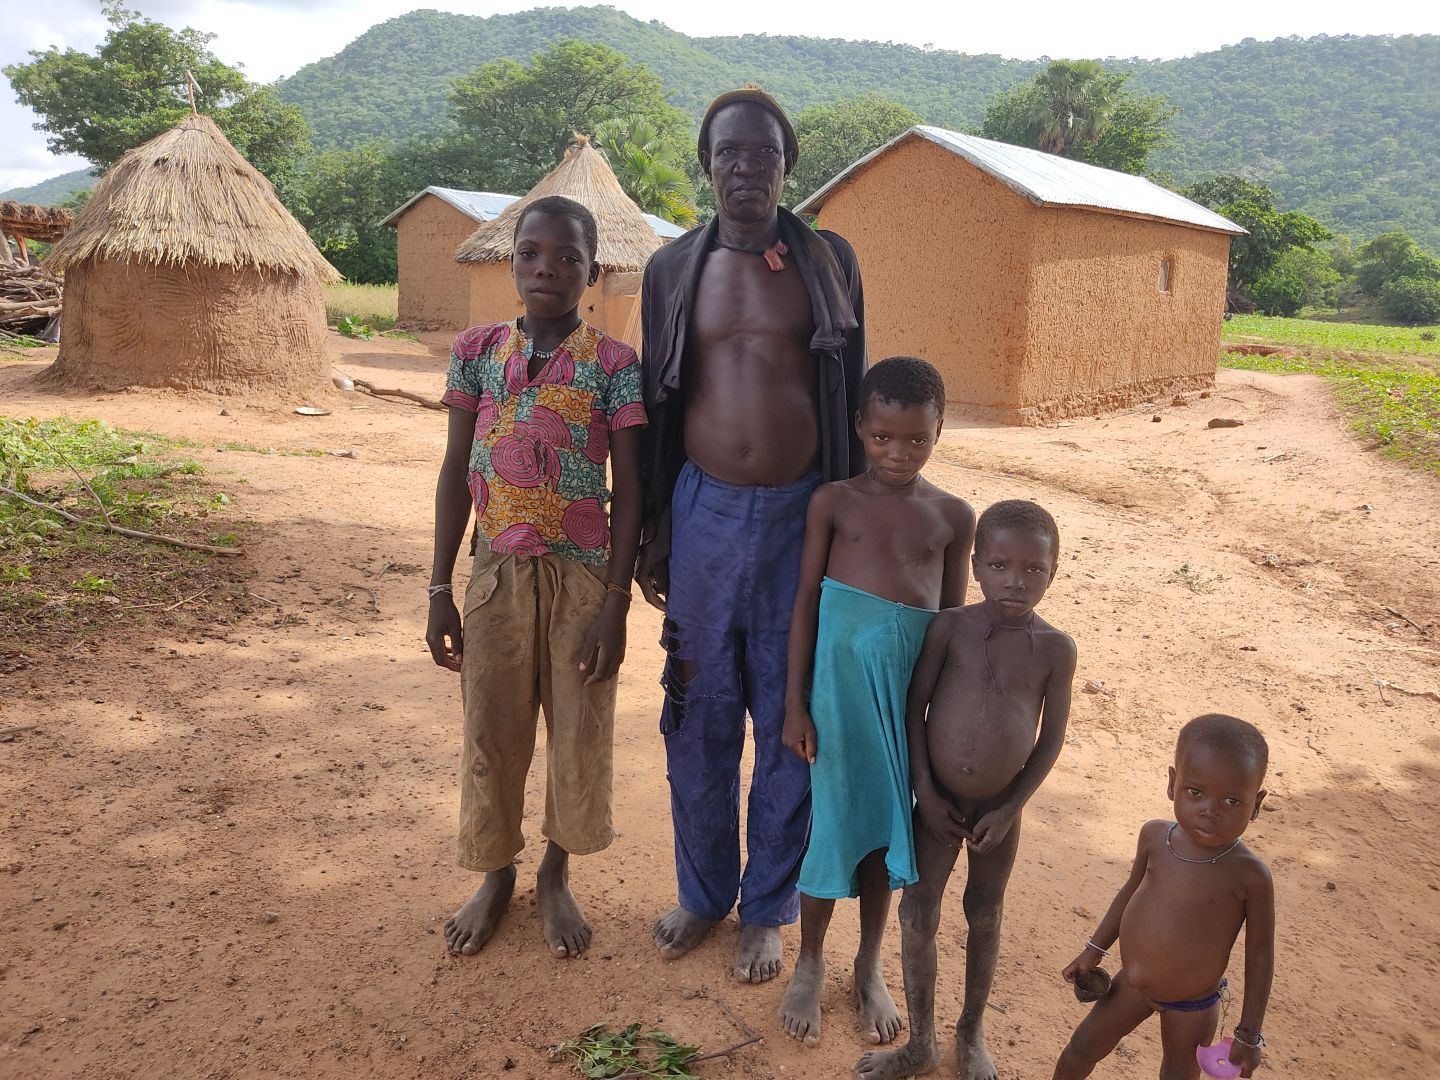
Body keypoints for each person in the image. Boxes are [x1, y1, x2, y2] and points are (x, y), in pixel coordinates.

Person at [637, 86, 867, 983]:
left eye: (762, 153)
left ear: (787, 165)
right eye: (728, 153)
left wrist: (851, 521)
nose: (745, 169)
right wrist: (656, 529)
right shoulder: (671, 269)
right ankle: (703, 894)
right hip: (702, 512)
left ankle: (767, 909)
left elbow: (851, 390)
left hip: (801, 517)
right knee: (696, 711)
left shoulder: (828, 261)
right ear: (707, 164)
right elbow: (659, 401)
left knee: (789, 715)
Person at [425, 195, 645, 960]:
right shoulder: (477, 350)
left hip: (584, 580)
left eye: (567, 257)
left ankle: (556, 872)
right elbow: (456, 471)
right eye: (531, 254)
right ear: (511, 262)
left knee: (579, 731)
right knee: (492, 728)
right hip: (496, 575)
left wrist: (616, 603)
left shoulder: (615, 365)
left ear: (593, 271)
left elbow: (632, 489)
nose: (547, 268)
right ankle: (495, 872)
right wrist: (439, 590)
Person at [776, 357, 975, 1048]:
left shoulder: (952, 516)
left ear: (939, 431)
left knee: (887, 833)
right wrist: (795, 704)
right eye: (883, 436)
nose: (898, 452)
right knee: (833, 822)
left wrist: (939, 723)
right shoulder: (833, 502)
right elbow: (805, 602)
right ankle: (809, 960)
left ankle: (867, 965)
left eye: (917, 439)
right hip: (836, 698)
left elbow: (949, 626)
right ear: (860, 426)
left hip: (903, 705)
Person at [858, 499, 1077, 1080]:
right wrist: (925, 790)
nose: (1016, 581)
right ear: (977, 565)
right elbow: (914, 710)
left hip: (998, 812)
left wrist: (1010, 808)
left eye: (1034, 569)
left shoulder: (1055, 649)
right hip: (937, 804)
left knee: (984, 912)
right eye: (1000, 565)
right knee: (917, 913)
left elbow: (1050, 738)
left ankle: (970, 1031)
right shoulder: (950, 627)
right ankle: (920, 1043)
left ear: (1054, 572)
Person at [1052, 714, 1274, 1080]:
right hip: (1131, 985)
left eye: (1232, 800)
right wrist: (1094, 949)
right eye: (1195, 792)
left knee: (1178, 1074)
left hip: (1193, 1006)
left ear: (1256, 804)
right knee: (1080, 1049)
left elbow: (1260, 956)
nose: (1210, 811)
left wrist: (1249, 1034)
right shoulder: (1155, 838)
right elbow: (1129, 893)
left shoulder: (1250, 876)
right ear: (1173, 784)